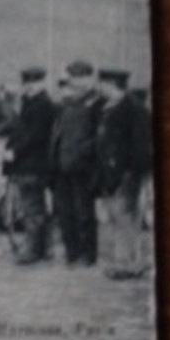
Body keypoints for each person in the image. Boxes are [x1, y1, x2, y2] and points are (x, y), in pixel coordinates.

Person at [95, 68, 153, 279]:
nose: (99, 87)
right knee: (116, 216)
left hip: (126, 172)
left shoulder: (133, 109)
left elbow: (141, 145)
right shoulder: (110, 107)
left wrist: (133, 171)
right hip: (111, 172)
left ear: (111, 84)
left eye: (102, 83)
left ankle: (127, 263)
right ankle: (125, 260)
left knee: (125, 215)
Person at [49, 60, 103, 268]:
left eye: (80, 77)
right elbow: (58, 133)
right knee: (65, 212)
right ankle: (72, 252)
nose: (75, 82)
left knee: (84, 213)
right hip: (62, 165)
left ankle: (87, 254)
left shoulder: (96, 102)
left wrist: (83, 151)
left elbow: (100, 135)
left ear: (89, 79)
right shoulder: (68, 103)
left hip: (82, 166)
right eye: (73, 77)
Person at [7, 66, 57, 264]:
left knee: (32, 207)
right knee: (35, 206)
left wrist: (14, 150)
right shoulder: (30, 103)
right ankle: (43, 248)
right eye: (27, 83)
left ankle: (33, 250)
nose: (29, 86)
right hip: (29, 162)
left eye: (33, 83)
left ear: (42, 83)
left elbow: (35, 136)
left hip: (35, 163)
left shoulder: (42, 105)